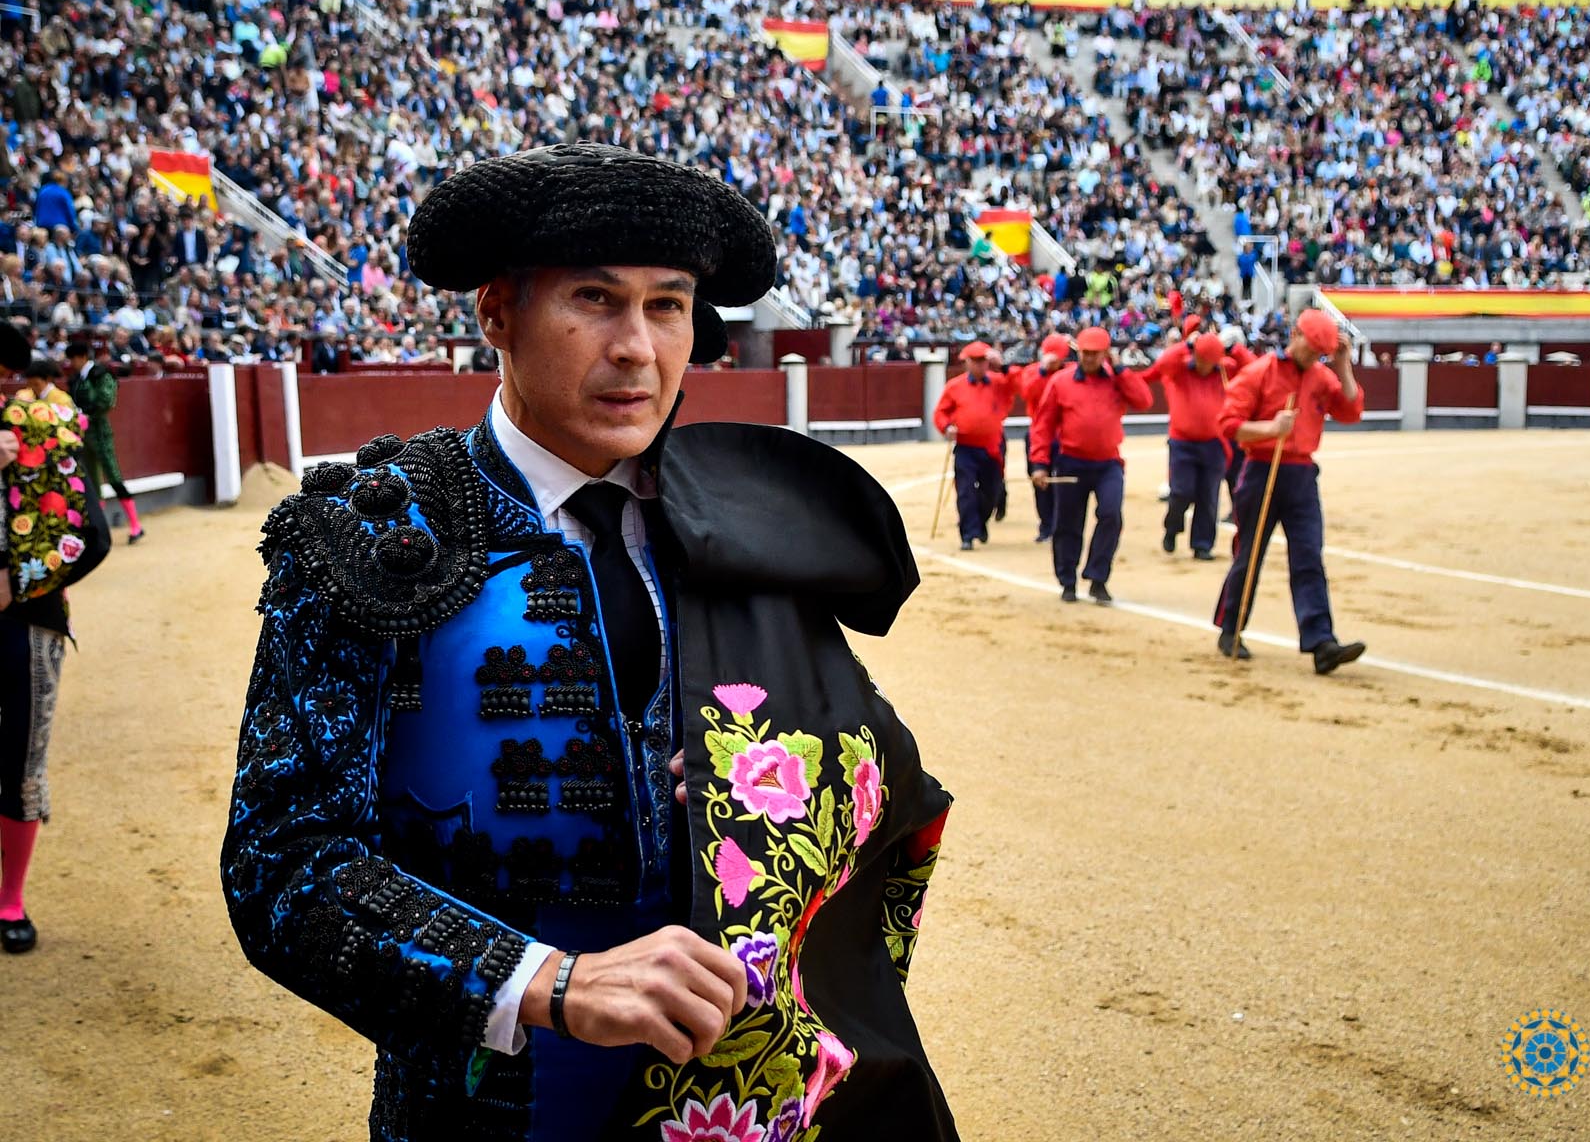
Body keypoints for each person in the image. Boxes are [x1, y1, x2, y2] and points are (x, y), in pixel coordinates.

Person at [222, 145, 958, 1141]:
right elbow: (281, 864)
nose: (637, 348)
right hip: (489, 1110)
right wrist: (546, 980)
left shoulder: (750, 519)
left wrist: (778, 778)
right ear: (498, 313)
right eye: (595, 300)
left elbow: (880, 772)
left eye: (668, 306)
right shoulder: (373, 535)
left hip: (745, 1099)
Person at [0, 320, 104, 954]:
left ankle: (9, 899)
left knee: (19, 761)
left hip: (25, 622)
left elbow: (93, 537)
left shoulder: (44, 432)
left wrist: (24, 585)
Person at [1211, 308, 1367, 672]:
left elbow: (1350, 411)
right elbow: (1228, 424)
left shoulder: (1321, 376)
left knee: (1309, 556)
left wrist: (1343, 364)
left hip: (1301, 475)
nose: (1312, 358)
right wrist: (1270, 429)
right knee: (1249, 554)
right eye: (1310, 350)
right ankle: (1231, 628)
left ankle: (1321, 642)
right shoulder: (1260, 372)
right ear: (1294, 335)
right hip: (1261, 470)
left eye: (1319, 354)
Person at [1027, 326, 1151, 604]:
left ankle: (1097, 576)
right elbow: (1043, 425)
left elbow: (1144, 400)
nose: (1089, 358)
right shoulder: (1061, 381)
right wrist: (1039, 463)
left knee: (1111, 515)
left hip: (1108, 462)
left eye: (1096, 353)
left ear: (1106, 354)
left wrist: (1121, 370)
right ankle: (1068, 581)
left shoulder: (1117, 379)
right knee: (1068, 523)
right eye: (1085, 353)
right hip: (1071, 461)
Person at [1144, 331, 1240, 561]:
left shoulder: (1223, 369)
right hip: (1183, 442)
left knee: (1209, 495)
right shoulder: (1179, 368)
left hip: (1215, 442)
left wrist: (1233, 348)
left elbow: (1250, 366)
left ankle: (1202, 544)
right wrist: (1186, 345)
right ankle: (1172, 527)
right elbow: (1162, 363)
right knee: (1181, 491)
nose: (1205, 366)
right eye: (1202, 359)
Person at [932, 340, 1018, 551]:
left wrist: (1002, 364)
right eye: (975, 360)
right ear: (967, 362)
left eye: (983, 361)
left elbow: (1020, 384)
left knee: (992, 491)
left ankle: (979, 522)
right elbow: (941, 412)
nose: (980, 365)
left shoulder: (999, 382)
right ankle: (968, 534)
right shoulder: (955, 386)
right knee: (966, 491)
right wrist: (946, 427)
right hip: (966, 447)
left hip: (992, 447)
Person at [65, 339, 143, 543]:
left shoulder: (100, 374)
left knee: (113, 476)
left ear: (82, 357)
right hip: (83, 435)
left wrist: (86, 415)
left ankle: (136, 525)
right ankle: (100, 529)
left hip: (100, 433)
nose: (71, 364)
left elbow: (106, 401)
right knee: (91, 482)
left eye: (73, 359)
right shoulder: (76, 379)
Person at [1014, 333, 1072, 543]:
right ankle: (1047, 525)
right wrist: (1042, 371)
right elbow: (1027, 393)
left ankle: (1060, 525)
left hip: (1066, 435)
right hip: (1039, 434)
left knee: (1064, 483)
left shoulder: (1071, 372)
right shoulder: (1032, 372)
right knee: (1040, 481)